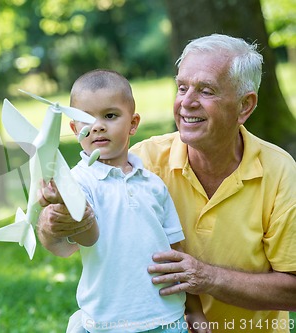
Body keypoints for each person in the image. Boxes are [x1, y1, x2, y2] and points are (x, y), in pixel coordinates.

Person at [39, 34, 296, 333]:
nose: (186, 103)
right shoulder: (138, 163)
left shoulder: (280, 172)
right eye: (182, 87)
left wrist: (207, 278)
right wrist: (52, 224)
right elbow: (67, 237)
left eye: (206, 91)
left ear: (244, 106)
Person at [37, 69, 210, 333]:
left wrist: (195, 312)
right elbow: (88, 237)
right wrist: (65, 203)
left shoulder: (153, 184)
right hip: (110, 321)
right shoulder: (77, 182)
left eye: (110, 116)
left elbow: (177, 255)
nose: (97, 126)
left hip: (166, 317)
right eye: (86, 119)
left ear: (133, 123)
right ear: (74, 129)